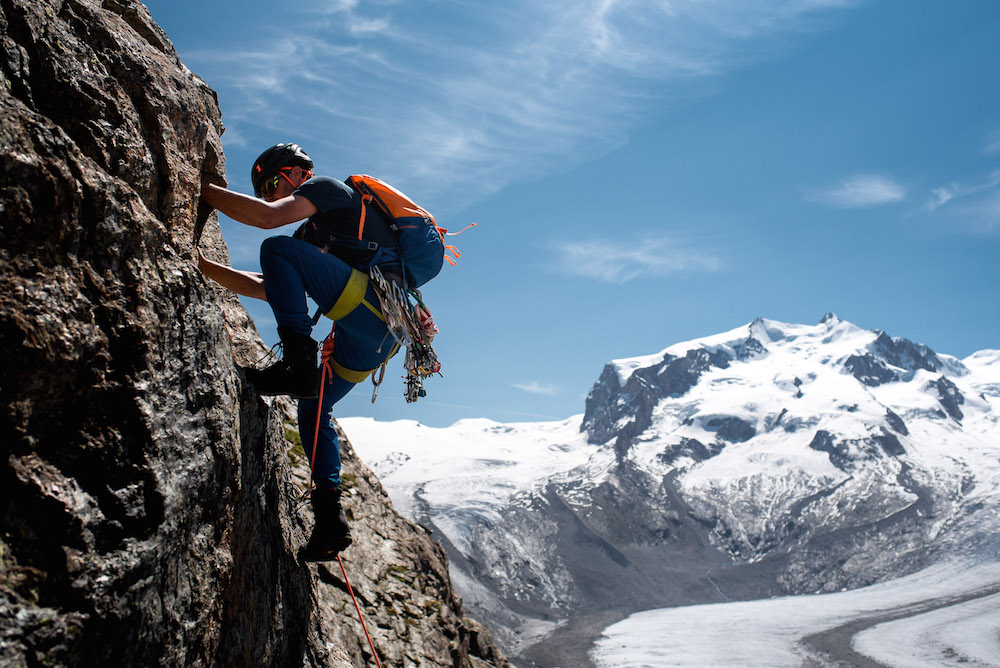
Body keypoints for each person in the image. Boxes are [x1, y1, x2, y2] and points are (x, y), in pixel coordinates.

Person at [199, 143, 402, 561]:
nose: (272, 194)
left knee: (276, 248)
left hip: (372, 313)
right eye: (266, 188)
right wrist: (204, 267)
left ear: (295, 174)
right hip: (377, 331)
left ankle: (296, 363)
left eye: (273, 183)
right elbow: (266, 286)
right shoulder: (308, 238)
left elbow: (266, 219)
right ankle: (330, 521)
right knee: (313, 406)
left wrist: (199, 188)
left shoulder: (329, 189)